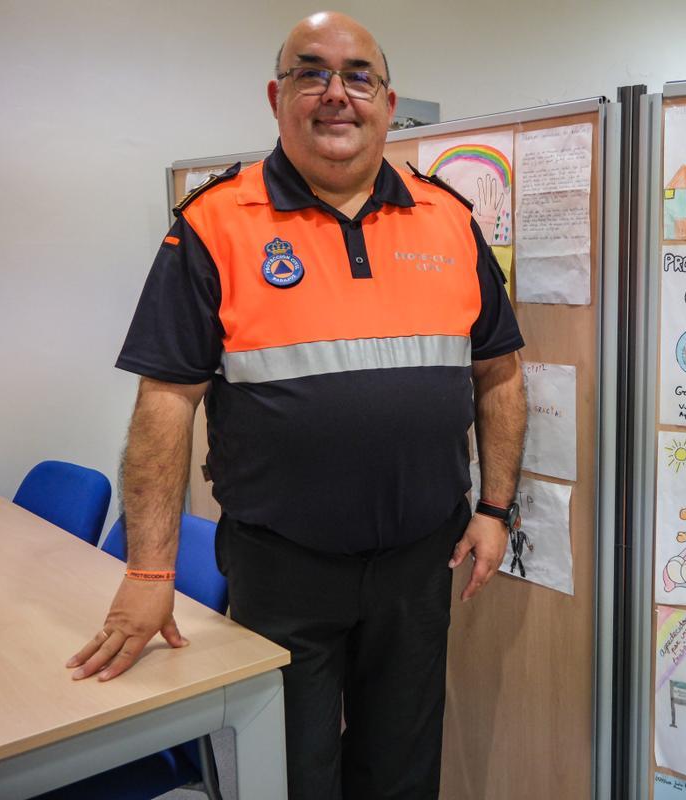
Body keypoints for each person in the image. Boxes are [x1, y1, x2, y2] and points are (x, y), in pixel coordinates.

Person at [66, 12, 527, 800]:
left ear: (387, 101)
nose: (335, 94)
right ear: (277, 97)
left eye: (358, 77)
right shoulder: (215, 224)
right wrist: (150, 570)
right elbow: (165, 405)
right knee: (286, 774)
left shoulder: (448, 220)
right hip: (283, 568)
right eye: (311, 73)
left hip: (420, 562)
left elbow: (500, 374)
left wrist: (495, 507)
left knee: (401, 772)